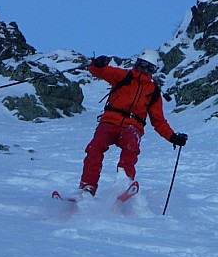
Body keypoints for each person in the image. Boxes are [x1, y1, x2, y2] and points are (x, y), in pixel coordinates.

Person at [78, 49, 187, 196]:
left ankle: (123, 185)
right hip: (110, 120)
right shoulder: (123, 76)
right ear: (137, 64)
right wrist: (97, 64)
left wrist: (173, 137)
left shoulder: (153, 91)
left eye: (150, 68)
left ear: (154, 71)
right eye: (142, 65)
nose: (145, 70)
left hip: (133, 126)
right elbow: (98, 71)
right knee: (95, 148)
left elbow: (159, 121)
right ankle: (88, 187)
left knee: (131, 150)